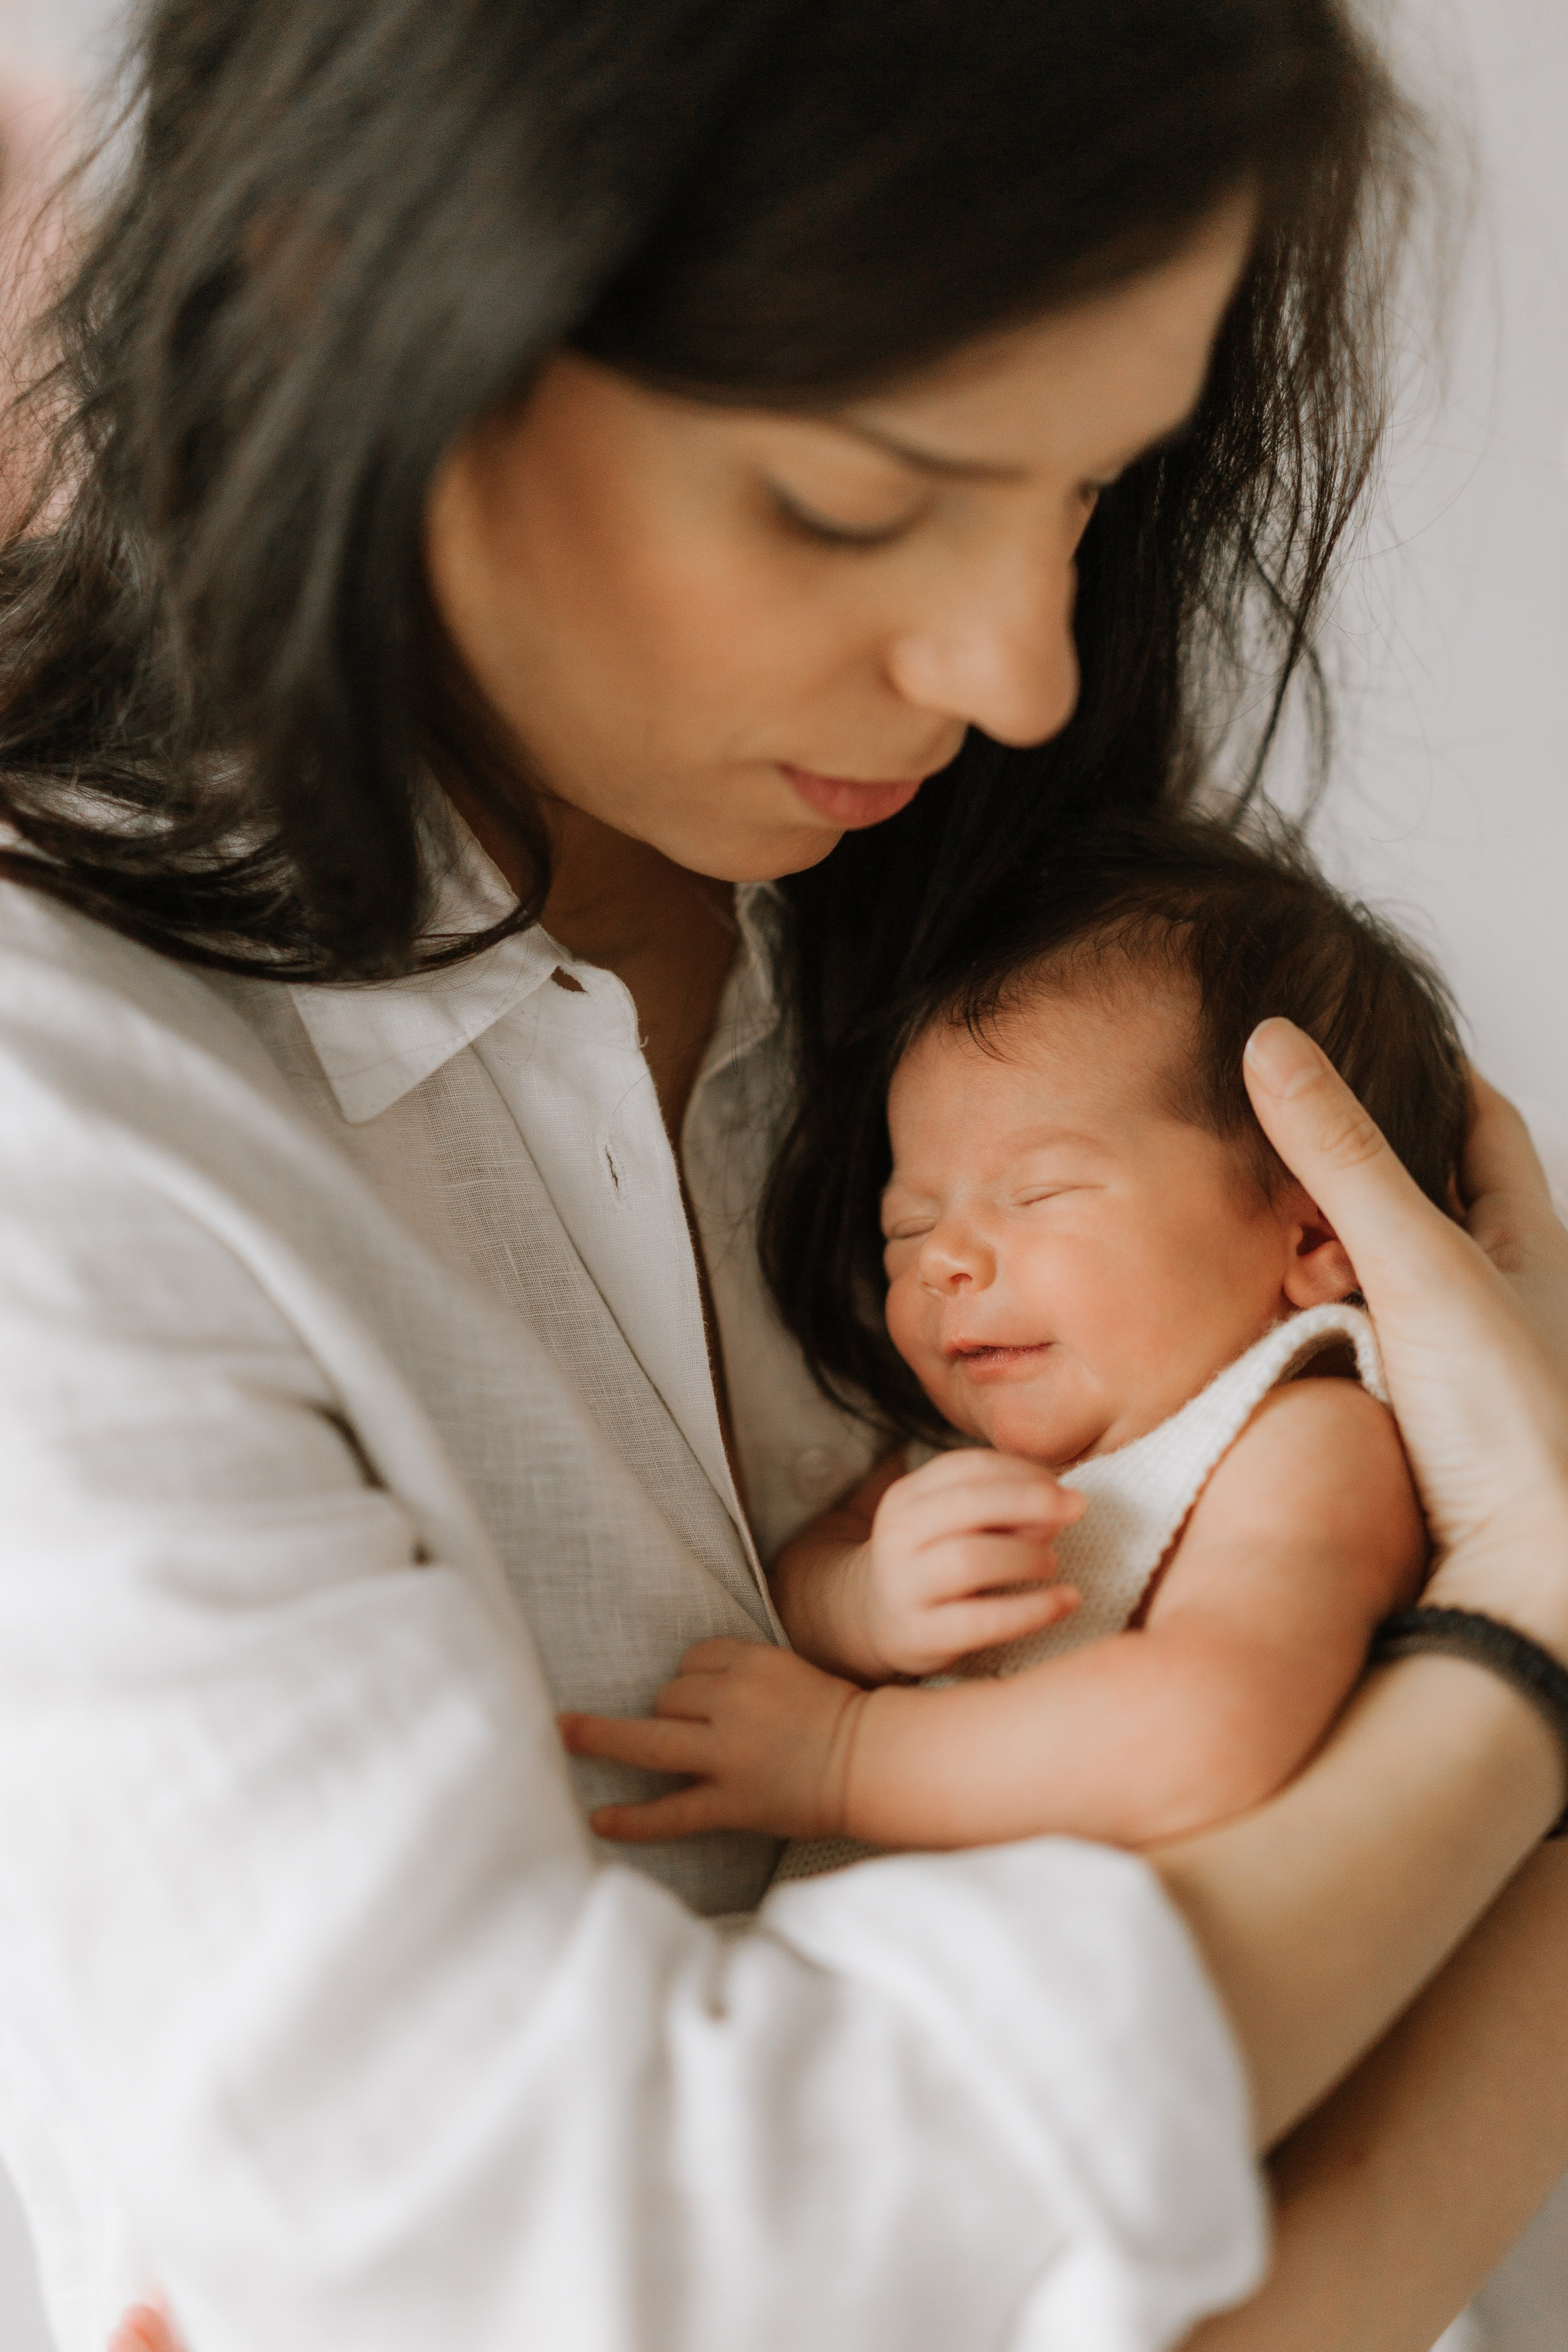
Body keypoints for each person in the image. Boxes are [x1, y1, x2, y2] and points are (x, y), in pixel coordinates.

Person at [0, 4, 1564, 2350]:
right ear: (356, 290)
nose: (1021, 673)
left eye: (1091, 493)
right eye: (856, 502)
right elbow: (576, 2245)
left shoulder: (1075, 995)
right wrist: (1524, 1659)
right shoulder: (76, 1098)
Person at [560, 822, 1454, 1864]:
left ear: (1313, 1232)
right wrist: (866, 1599)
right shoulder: (965, 1456)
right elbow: (802, 1573)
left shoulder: (1302, 1439)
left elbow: (1210, 1726)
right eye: (907, 1225)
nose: (944, 1262)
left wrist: (849, 1755)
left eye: (1038, 1194)